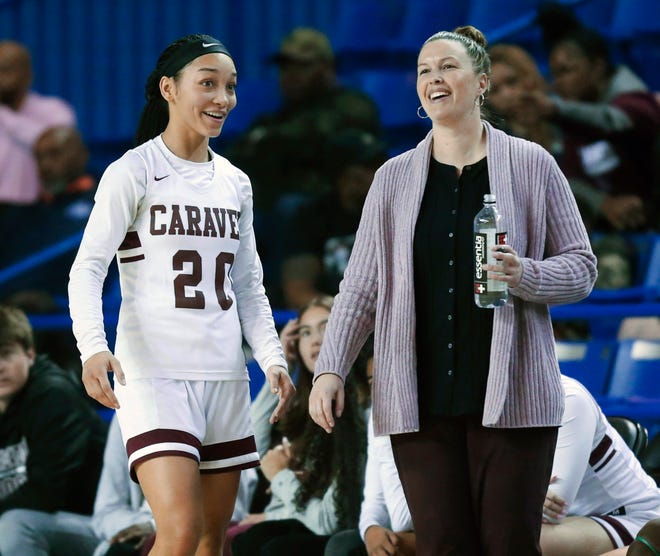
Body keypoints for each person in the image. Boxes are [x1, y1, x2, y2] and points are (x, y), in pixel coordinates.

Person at [309, 25, 597, 556]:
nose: (433, 78)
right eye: (423, 70)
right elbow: (360, 287)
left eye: (447, 67)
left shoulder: (534, 165)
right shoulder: (392, 179)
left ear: (482, 81)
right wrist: (330, 368)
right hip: (420, 401)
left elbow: (581, 270)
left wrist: (525, 274)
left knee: (508, 546)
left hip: (515, 399)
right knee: (441, 547)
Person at [68, 33, 295, 556]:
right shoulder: (132, 171)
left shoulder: (236, 183)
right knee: (180, 532)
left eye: (231, 87)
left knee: (213, 542)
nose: (223, 98)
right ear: (169, 88)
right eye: (208, 83)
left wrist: (271, 357)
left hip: (224, 372)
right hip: (154, 373)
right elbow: (87, 269)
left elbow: (248, 285)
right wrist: (92, 347)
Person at [224, 28, 383, 303]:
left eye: (300, 67)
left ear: (325, 67)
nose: (289, 75)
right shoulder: (275, 117)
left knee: (290, 209)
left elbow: (319, 141)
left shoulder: (352, 105)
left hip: (329, 208)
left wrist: (275, 144)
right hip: (274, 206)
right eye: (285, 68)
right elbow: (238, 158)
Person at [230, 295, 367, 556]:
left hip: (337, 529)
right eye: (305, 333)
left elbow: (330, 520)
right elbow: (250, 448)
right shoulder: (300, 409)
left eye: (325, 328)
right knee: (245, 540)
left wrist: (281, 477)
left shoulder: (355, 410)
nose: (315, 339)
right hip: (302, 520)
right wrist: (282, 365)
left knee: (273, 547)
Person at [529, 3, 660, 233]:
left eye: (566, 71)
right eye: (554, 74)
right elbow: (562, 176)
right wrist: (603, 203)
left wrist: (556, 109)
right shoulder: (574, 115)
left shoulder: (635, 100)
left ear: (597, 68)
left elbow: (615, 121)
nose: (557, 82)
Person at [0, 304, 107, 556]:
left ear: (30, 354)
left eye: (6, 354)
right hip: (21, 518)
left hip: (91, 525)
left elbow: (45, 494)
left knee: (14, 527)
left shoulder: (53, 396)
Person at [540, 375, 660, 556]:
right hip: (576, 519)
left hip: (632, 520)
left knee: (521, 538)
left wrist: (519, 495)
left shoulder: (568, 398)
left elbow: (551, 510)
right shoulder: (491, 407)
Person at [280, 129, 389, 309]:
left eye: (381, 161)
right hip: (334, 322)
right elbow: (298, 292)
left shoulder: (397, 210)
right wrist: (347, 317)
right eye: (370, 165)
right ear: (344, 176)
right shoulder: (311, 218)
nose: (382, 170)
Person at [323, 356, 416, 556]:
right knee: (343, 544)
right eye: (374, 382)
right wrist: (371, 530)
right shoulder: (376, 419)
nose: (382, 391)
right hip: (396, 534)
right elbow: (374, 498)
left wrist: (414, 541)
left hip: (431, 535)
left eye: (388, 379)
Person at [0, 126, 97, 302]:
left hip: (72, 313)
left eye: (54, 154)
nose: (45, 165)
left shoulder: (106, 201)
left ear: (81, 155)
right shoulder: (22, 215)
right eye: (39, 157)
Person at [0, 40, 76, 205]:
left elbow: (50, 145)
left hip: (38, 213)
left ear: (27, 74)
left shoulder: (53, 110)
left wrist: (4, 115)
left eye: (5, 70)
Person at [487, 43, 559, 154]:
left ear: (528, 76)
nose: (507, 94)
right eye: (495, 90)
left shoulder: (565, 111)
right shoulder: (496, 150)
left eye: (512, 81)